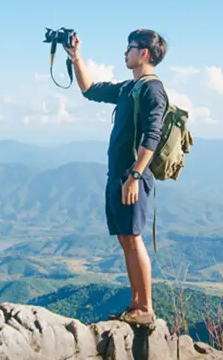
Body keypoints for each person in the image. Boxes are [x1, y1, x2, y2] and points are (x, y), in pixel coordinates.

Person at [63, 29, 169, 326]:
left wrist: (135, 175)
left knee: (133, 239)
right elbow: (90, 90)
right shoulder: (128, 88)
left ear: (144, 53)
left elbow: (153, 136)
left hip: (131, 177)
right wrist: (76, 57)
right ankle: (136, 304)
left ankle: (145, 307)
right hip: (119, 176)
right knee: (125, 238)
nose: (125, 53)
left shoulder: (152, 90)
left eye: (130, 48)